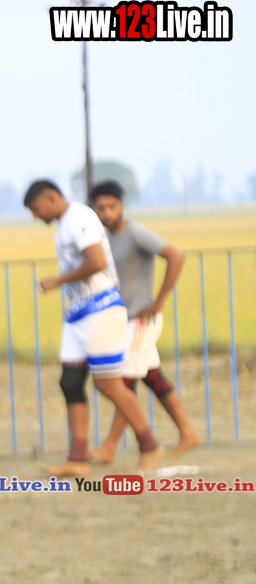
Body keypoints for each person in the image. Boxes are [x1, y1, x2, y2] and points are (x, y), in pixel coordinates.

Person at [24, 179, 164, 476]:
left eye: (36, 209)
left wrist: (56, 281)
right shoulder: (65, 224)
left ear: (51, 198)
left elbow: (97, 262)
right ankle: (77, 460)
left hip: (100, 309)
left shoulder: (80, 217)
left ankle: (149, 445)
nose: (35, 216)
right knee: (70, 382)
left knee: (108, 384)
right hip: (78, 313)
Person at [87, 180, 199, 462]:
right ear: (94, 209)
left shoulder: (135, 233)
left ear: (122, 206)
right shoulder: (103, 238)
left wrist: (159, 301)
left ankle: (111, 447)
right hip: (119, 320)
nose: (107, 213)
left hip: (139, 320)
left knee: (122, 382)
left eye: (112, 206)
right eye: (101, 208)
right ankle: (188, 433)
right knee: (153, 377)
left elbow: (175, 255)